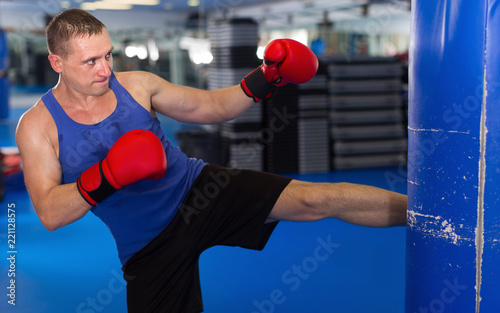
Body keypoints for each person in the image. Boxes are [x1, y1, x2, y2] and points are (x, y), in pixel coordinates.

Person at [15, 8, 407, 313]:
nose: (105, 70)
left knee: (314, 199)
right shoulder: (37, 126)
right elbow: (50, 212)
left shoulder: (137, 85)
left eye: (108, 55)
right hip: (146, 245)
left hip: (200, 190)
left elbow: (211, 107)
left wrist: (267, 75)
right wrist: (109, 174)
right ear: (57, 63)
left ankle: (431, 215)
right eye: (90, 62)